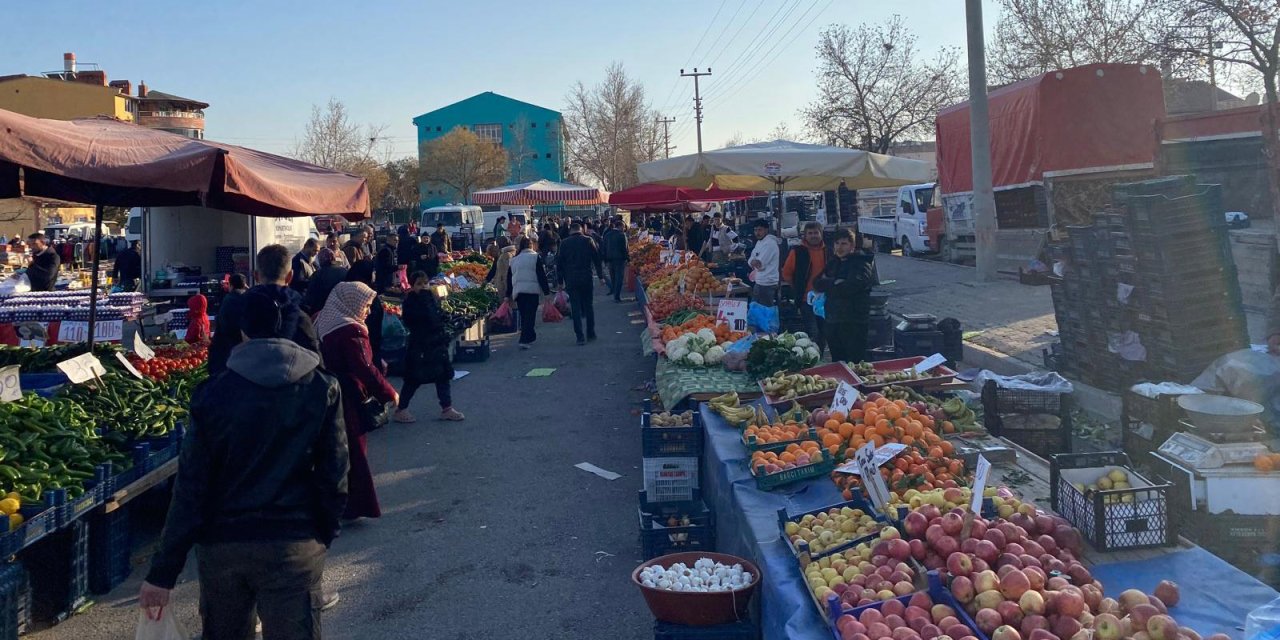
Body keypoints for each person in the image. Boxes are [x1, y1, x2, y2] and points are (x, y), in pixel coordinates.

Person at [139, 290, 348, 640]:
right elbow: (336, 474)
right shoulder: (321, 388)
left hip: (224, 547)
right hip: (293, 542)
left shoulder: (212, 393)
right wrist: (323, 530)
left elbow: (190, 487)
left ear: (240, 330)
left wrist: (163, 572)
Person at [316, 282, 396, 521]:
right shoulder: (350, 330)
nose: (368, 311)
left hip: (327, 393)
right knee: (354, 453)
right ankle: (353, 506)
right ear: (352, 303)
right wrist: (389, 392)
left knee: (335, 450)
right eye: (366, 305)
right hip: (349, 396)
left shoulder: (324, 319)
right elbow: (364, 368)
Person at [209, 245, 321, 374]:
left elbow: (217, 358)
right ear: (290, 276)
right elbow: (317, 364)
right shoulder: (300, 317)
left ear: (256, 276)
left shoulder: (235, 311)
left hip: (242, 387)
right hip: (292, 389)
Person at [395, 272, 465, 423]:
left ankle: (447, 408)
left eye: (425, 283)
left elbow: (437, 318)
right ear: (412, 286)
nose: (424, 286)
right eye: (419, 284)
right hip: (420, 346)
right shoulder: (411, 303)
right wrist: (427, 301)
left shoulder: (431, 299)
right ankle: (401, 409)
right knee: (414, 379)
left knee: (442, 376)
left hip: (436, 344)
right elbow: (423, 320)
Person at [813, 229, 879, 363]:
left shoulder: (862, 262)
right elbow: (816, 283)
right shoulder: (833, 262)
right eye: (837, 243)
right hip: (833, 320)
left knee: (854, 362)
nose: (839, 247)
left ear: (852, 246)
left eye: (844, 244)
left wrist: (830, 284)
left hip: (853, 322)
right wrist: (835, 282)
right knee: (838, 362)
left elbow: (852, 286)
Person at [782, 222, 828, 357]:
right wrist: (797, 288)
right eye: (810, 233)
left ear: (821, 234)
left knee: (824, 331)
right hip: (806, 300)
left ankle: (819, 355)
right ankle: (813, 358)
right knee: (812, 331)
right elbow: (786, 273)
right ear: (805, 235)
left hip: (826, 300)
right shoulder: (798, 252)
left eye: (816, 233)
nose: (813, 236)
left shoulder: (828, 251)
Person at [556, 223, 604, 346]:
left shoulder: (564, 243)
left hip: (571, 279)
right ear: (581, 229)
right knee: (588, 306)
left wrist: (560, 282)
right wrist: (600, 276)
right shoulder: (588, 240)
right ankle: (591, 332)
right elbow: (597, 259)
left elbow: (559, 264)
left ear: (571, 230)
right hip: (586, 277)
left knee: (575, 308)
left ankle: (580, 337)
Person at [508, 236, 552, 349]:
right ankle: (525, 339)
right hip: (532, 291)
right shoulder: (535, 257)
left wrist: (507, 294)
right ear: (531, 245)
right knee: (530, 315)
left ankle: (529, 336)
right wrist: (546, 292)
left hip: (519, 291)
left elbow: (509, 278)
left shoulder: (514, 259)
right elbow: (541, 275)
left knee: (524, 315)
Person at [344, 262, 386, 368]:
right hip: (366, 343)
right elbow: (374, 322)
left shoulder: (344, 290)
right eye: (373, 272)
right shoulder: (366, 293)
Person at [303, 249, 349, 316]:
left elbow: (310, 297)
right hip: (342, 312)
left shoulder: (317, 275)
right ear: (334, 258)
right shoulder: (345, 272)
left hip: (322, 313)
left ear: (320, 260)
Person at [748, 219, 781, 305]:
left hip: (767, 283)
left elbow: (759, 265)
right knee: (757, 310)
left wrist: (754, 262)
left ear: (766, 230)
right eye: (755, 230)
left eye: (760, 230)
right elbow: (750, 260)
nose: (757, 233)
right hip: (759, 281)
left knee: (765, 312)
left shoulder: (770, 244)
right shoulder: (759, 242)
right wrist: (753, 262)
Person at [602, 218, 629, 303]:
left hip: (610, 259)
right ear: (620, 226)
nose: (624, 229)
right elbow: (625, 248)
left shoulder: (607, 235)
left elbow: (604, 247)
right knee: (619, 277)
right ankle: (617, 296)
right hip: (620, 259)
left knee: (613, 277)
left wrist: (605, 259)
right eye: (623, 227)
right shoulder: (622, 235)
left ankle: (614, 292)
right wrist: (627, 258)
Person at [486, 238, 516, 306]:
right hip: (503, 284)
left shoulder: (507, 255)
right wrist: (487, 279)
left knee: (510, 306)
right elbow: (494, 268)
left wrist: (507, 292)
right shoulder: (502, 254)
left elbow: (508, 273)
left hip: (505, 286)